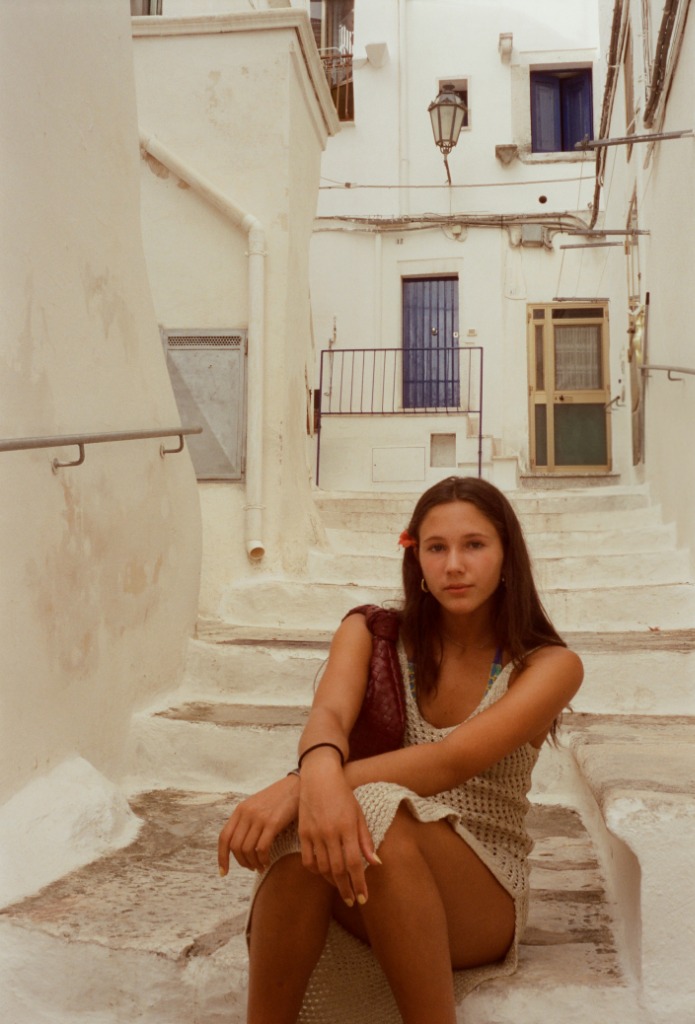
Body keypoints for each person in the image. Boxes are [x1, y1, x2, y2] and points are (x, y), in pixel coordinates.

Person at [218, 476, 583, 1024]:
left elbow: (450, 760)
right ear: (416, 559)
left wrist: (298, 788)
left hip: (480, 890)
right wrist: (314, 786)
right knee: (318, 819)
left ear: (507, 555)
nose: (454, 565)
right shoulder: (372, 633)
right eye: (436, 548)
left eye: (474, 545)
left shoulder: (546, 665)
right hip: (372, 871)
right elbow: (329, 717)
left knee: (366, 807)